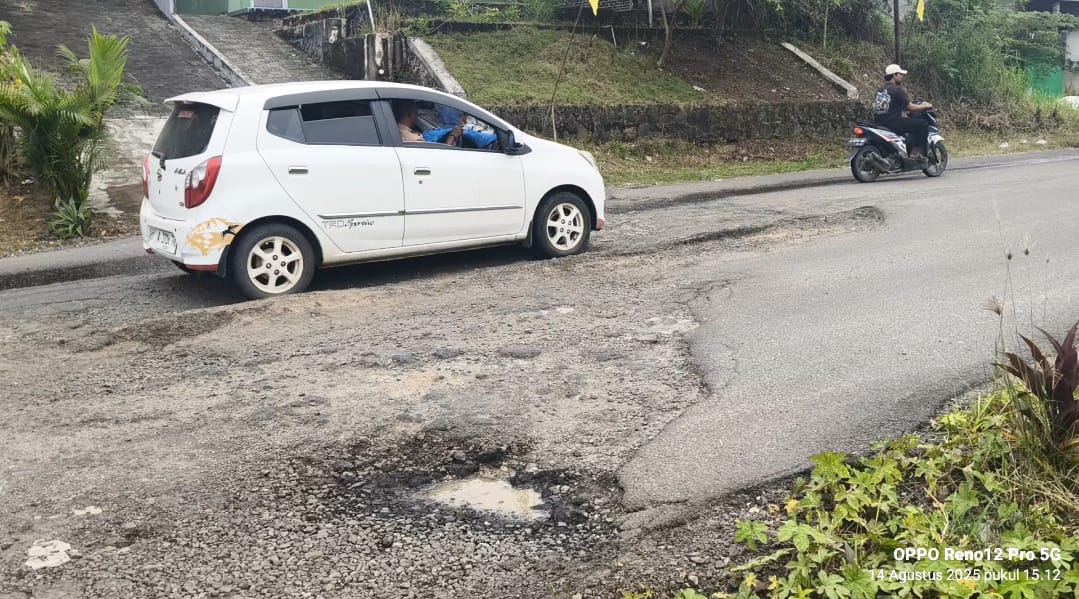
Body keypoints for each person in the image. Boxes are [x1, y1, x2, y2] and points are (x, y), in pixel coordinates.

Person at [873, 64, 935, 161]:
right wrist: (925, 106)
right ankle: (915, 153)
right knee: (923, 125)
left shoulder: (880, 90)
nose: (902, 76)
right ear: (894, 75)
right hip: (893, 123)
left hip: (879, 123)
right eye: (900, 74)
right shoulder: (897, 90)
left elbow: (891, 105)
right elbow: (910, 107)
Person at [392, 99, 461, 145]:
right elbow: (438, 159)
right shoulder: (414, 139)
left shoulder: (394, 129)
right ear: (410, 114)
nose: (417, 115)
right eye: (415, 112)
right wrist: (452, 136)